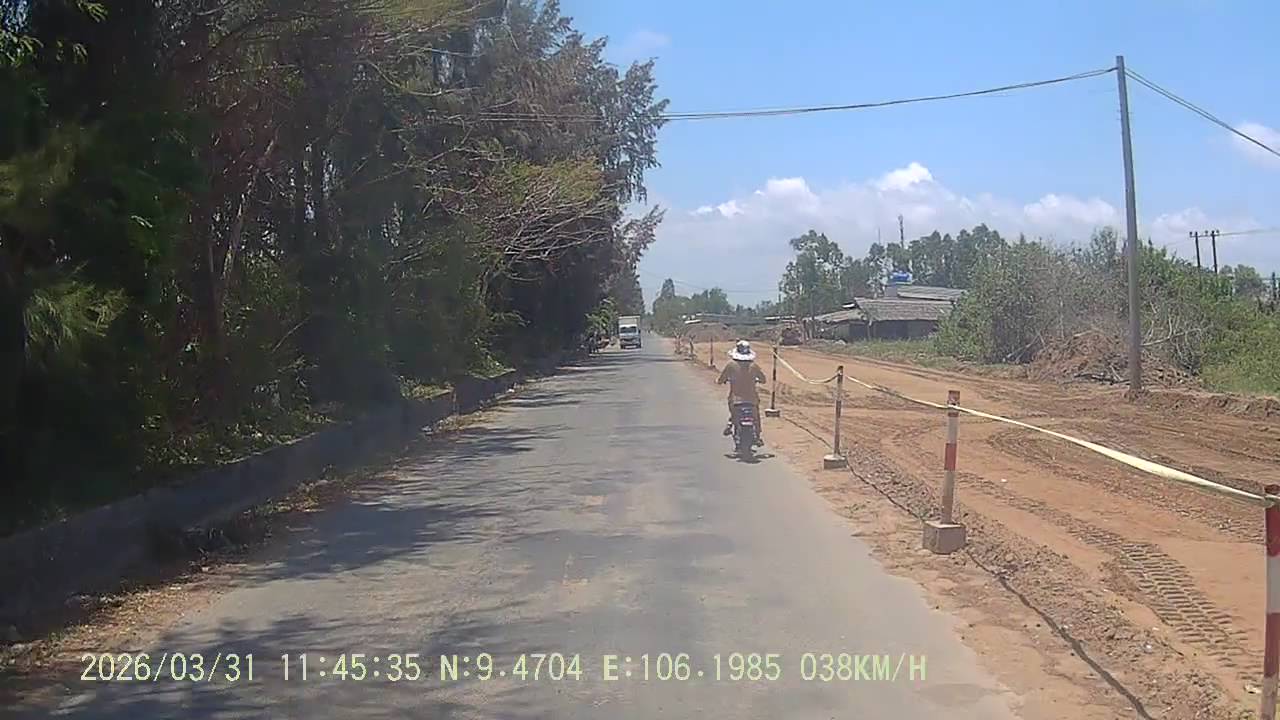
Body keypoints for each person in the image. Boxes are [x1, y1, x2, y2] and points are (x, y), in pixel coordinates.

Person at [717, 339, 766, 446]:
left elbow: (721, 379)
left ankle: (730, 424)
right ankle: (757, 436)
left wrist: (722, 381)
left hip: (736, 399)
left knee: (734, 413)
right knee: (756, 417)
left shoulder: (731, 365)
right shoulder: (754, 366)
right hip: (752, 400)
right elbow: (763, 379)